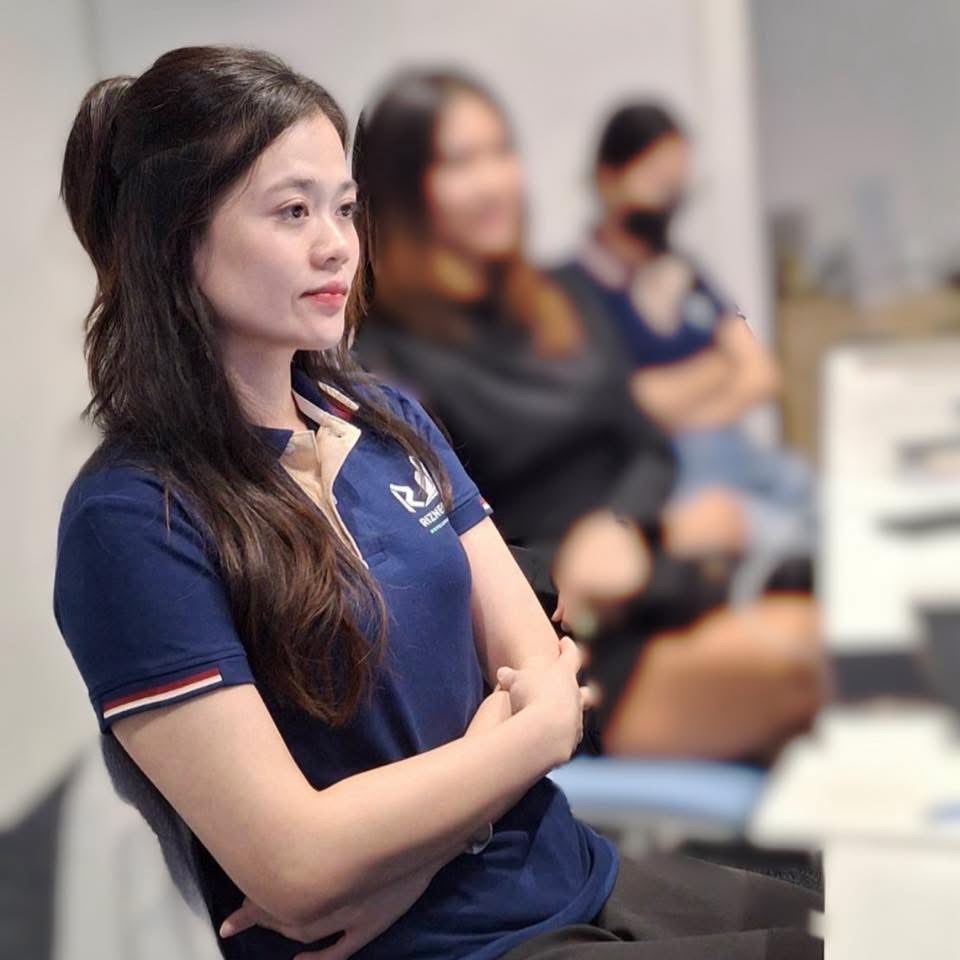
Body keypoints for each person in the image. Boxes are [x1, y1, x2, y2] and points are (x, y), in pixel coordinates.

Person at [54, 47, 820, 960]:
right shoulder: (134, 518)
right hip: (454, 946)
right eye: (293, 211)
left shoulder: (380, 414)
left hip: (567, 867)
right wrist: (528, 736)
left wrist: (412, 849)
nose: (336, 244)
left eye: (343, 208)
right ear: (176, 237)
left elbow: (543, 672)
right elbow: (298, 862)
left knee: (876, 906)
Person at [353, 70, 823, 761]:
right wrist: (570, 566)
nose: (494, 180)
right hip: (571, 643)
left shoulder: (556, 304)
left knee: (858, 599)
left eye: (500, 152)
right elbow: (434, 556)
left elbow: (646, 446)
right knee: (823, 658)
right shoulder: (384, 373)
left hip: (658, 573)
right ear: (399, 192)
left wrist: (625, 525)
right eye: (460, 161)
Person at [557, 103, 815, 562]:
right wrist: (720, 366)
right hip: (672, 475)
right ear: (609, 178)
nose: (669, 199)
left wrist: (680, 399)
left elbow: (761, 373)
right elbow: (632, 402)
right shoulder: (574, 290)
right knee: (795, 544)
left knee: (838, 507)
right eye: (657, 181)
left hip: (739, 451)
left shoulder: (685, 273)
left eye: (678, 185)